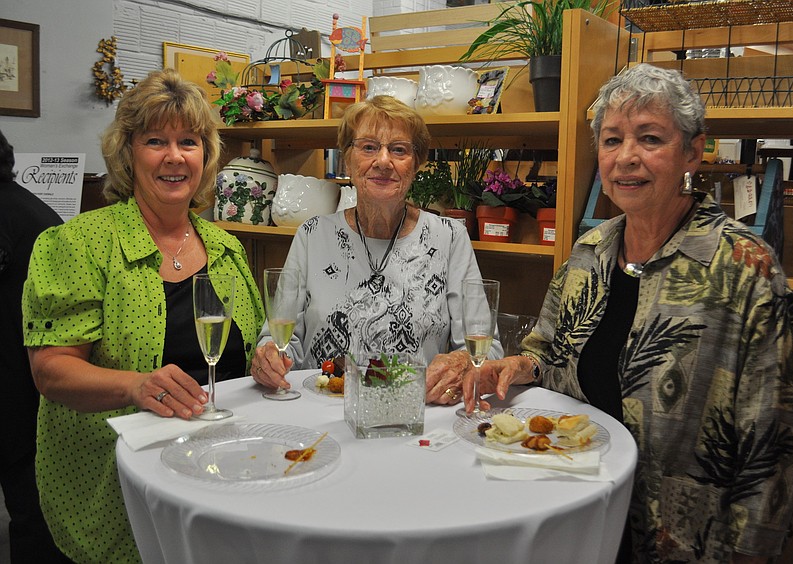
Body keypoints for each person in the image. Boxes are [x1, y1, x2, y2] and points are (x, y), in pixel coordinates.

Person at [464, 64, 793, 563]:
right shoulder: (589, 252)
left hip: (685, 541)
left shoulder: (745, 270)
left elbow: (775, 449)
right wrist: (516, 365)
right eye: (611, 141)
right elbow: (548, 353)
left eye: (650, 138)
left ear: (693, 151)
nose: (626, 158)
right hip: (574, 517)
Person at [22, 69, 265, 563]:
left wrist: (266, 359)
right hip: (118, 481)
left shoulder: (226, 248)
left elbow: (250, 347)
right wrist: (134, 385)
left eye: (189, 142)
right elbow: (50, 370)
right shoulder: (78, 244)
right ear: (127, 152)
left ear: (206, 155)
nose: (175, 157)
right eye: (156, 140)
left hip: (219, 469)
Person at [251, 95, 501, 405]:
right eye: (368, 147)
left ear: (417, 164)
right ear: (347, 159)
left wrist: (461, 363)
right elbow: (277, 340)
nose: (383, 161)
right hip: (322, 412)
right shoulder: (312, 236)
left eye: (399, 150)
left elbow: (487, 350)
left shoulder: (450, 238)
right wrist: (270, 357)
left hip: (416, 416)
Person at [0, 129, 69, 563]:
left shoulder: (22, 220)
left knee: (34, 520)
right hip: (24, 391)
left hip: (22, 396)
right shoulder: (33, 210)